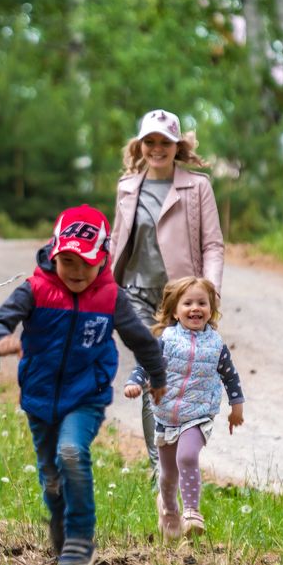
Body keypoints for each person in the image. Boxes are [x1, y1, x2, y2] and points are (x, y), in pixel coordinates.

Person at [0, 204, 167, 565]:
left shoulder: (110, 298)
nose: (78, 271)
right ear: (54, 254)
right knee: (50, 474)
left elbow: (142, 342)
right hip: (39, 397)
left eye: (87, 262)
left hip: (86, 396)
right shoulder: (35, 290)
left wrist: (158, 378)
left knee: (70, 452)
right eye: (68, 261)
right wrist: (1, 341)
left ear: (103, 259)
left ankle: (81, 536)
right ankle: (60, 526)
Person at [109, 109, 225, 478]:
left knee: (175, 380)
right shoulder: (127, 187)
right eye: (150, 142)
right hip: (136, 294)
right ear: (140, 145)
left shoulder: (198, 186)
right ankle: (160, 469)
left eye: (165, 142)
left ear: (177, 147)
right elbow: (117, 241)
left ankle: (177, 456)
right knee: (152, 373)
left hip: (180, 298)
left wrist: (209, 292)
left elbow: (213, 246)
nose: (157, 148)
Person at [123, 276, 245, 539]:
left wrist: (237, 408)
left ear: (210, 310)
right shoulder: (166, 340)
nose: (195, 308)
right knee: (168, 474)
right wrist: (134, 383)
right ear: (175, 311)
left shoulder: (216, 345)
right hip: (166, 416)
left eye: (202, 303)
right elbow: (146, 365)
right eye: (187, 303)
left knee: (187, 457)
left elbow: (230, 376)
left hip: (199, 415)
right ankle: (168, 509)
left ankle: (192, 512)